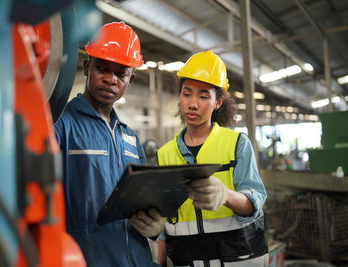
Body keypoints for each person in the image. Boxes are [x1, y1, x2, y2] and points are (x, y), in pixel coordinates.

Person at [54, 21, 163, 267]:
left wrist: (156, 228)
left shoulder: (131, 138)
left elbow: (145, 200)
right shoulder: (61, 126)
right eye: (102, 68)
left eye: (120, 73)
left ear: (130, 79)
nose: (110, 79)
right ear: (86, 66)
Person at [156, 51, 268, 266]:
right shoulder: (165, 154)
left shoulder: (236, 144)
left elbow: (255, 201)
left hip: (237, 259)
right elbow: (166, 224)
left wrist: (225, 195)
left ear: (218, 102)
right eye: (186, 94)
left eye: (204, 96)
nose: (193, 104)